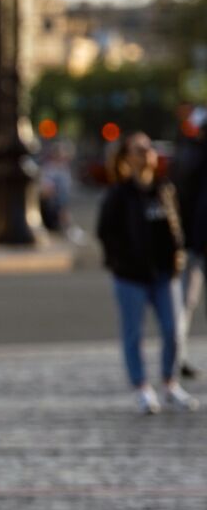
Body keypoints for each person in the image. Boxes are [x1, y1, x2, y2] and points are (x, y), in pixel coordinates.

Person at [96, 132, 198, 414]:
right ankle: (141, 387)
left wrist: (178, 257)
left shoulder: (164, 189)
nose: (145, 154)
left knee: (172, 330)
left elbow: (176, 226)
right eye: (138, 149)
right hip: (131, 275)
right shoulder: (120, 194)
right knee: (133, 334)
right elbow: (106, 233)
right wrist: (120, 262)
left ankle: (169, 382)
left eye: (148, 148)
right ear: (127, 157)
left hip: (165, 273)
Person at [173, 108, 207, 379]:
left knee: (185, 303)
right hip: (196, 242)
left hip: (191, 241)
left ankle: (177, 358)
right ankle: (176, 359)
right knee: (185, 302)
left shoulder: (187, 155)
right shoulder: (193, 157)